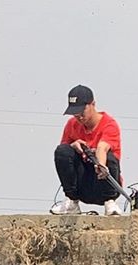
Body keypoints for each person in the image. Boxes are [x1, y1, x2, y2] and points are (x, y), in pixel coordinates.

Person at [51, 85, 123, 217]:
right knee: (62, 151)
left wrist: (100, 165)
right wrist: (73, 146)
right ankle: (71, 201)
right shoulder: (72, 125)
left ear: (93, 104)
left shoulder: (109, 124)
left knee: (109, 157)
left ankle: (110, 202)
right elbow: (64, 156)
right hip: (82, 184)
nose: (79, 116)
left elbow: (103, 147)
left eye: (82, 111)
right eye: (75, 112)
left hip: (101, 182)